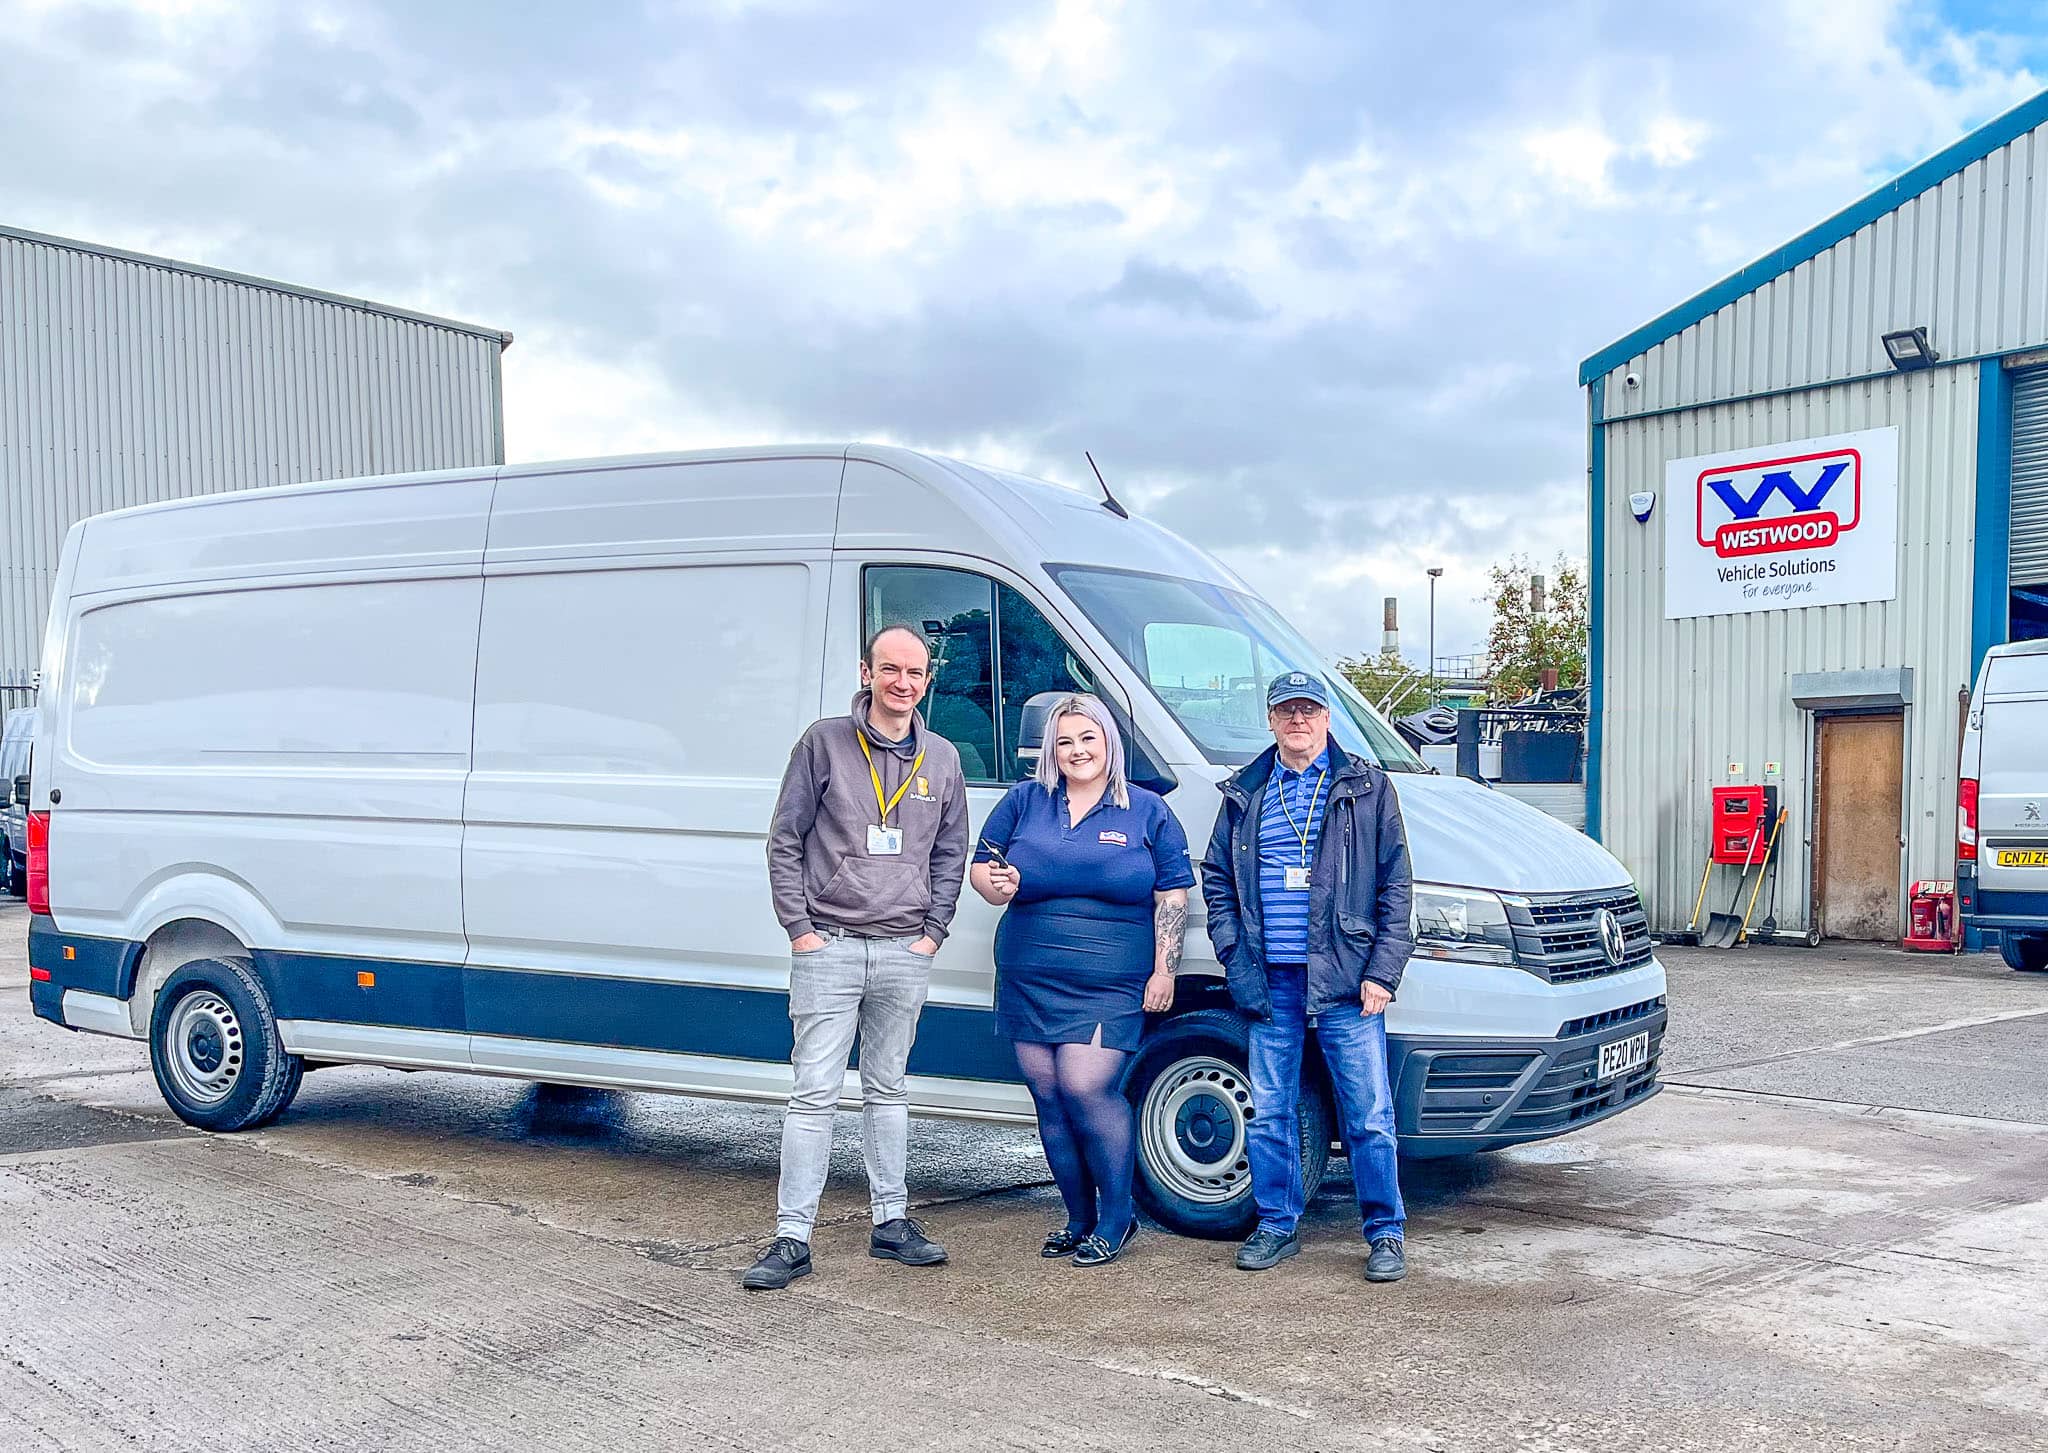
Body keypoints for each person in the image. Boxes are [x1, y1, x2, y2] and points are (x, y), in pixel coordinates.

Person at [743, 625, 971, 1291]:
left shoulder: (943, 758)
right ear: (866, 671)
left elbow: (952, 851)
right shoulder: (824, 743)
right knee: (813, 1093)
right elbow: (785, 838)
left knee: (889, 1089)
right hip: (831, 945)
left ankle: (892, 1222)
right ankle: (792, 1237)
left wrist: (932, 933)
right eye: (891, 668)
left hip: (905, 948)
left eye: (917, 672)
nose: (904, 682)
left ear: (929, 679)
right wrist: (800, 929)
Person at [1199, 671, 1415, 1283]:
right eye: (1287, 711)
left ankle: (1385, 1233)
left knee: (1368, 1113)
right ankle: (1276, 1223)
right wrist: (1236, 960)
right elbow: (1217, 878)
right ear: (1270, 720)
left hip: (1349, 980)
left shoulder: (1367, 788)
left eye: (1310, 710)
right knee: (1270, 1111)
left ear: (1328, 718)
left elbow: (1396, 886)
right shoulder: (1246, 791)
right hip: (1271, 981)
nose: (1299, 721)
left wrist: (1383, 971)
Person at [969, 694, 1193, 1267]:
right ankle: (1077, 1217)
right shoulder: (1024, 801)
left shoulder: (1147, 810)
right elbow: (982, 866)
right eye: (1065, 741)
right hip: (1029, 970)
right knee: (1046, 1094)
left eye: (1088, 738)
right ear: (1052, 749)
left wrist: (1163, 968)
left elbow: (1172, 892)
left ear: (1109, 743)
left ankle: (1119, 1217)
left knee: (1085, 1088)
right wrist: (995, 885)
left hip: (1110, 980)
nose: (1077, 751)